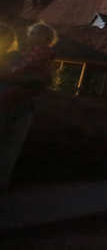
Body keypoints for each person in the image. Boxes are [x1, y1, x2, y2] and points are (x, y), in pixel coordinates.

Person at [0, 22, 57, 191]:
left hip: (18, 108)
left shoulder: (24, 57)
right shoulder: (21, 56)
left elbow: (43, 80)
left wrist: (10, 77)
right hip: (13, 106)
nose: (29, 38)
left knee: (9, 151)